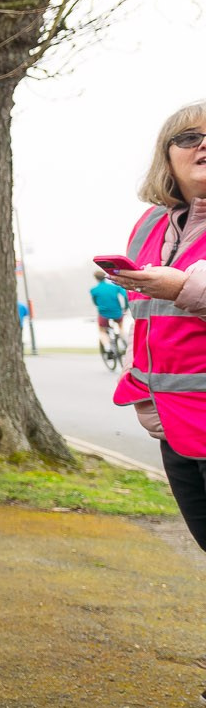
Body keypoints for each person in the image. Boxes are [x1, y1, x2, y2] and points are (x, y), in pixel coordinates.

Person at [111, 104, 206, 552]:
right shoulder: (151, 223)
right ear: (166, 157)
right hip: (177, 426)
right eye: (189, 138)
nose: (203, 144)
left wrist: (183, 287)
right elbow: (148, 326)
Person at [91, 270, 129, 353]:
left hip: (103, 314)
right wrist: (125, 307)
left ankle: (107, 347)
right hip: (117, 312)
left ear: (96, 279)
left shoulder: (94, 290)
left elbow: (95, 303)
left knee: (102, 331)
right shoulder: (115, 287)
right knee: (121, 327)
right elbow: (125, 295)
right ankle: (124, 343)